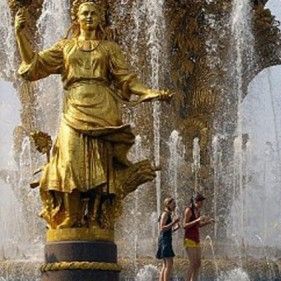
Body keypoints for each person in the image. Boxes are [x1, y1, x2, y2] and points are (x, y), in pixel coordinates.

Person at [14, 0, 173, 229]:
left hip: (103, 108)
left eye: (94, 13)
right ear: (76, 18)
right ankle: (71, 214)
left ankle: (96, 216)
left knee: (99, 163)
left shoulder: (110, 48)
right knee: (68, 160)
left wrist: (150, 92)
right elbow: (34, 67)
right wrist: (20, 35)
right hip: (74, 107)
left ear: (100, 18)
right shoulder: (65, 47)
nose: (89, 17)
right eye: (84, 13)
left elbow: (127, 79)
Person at [183, 193, 214, 281]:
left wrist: (208, 222)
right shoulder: (188, 210)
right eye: (199, 201)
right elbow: (184, 225)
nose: (201, 203)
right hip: (189, 239)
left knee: (198, 263)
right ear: (194, 201)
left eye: (201, 201)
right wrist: (197, 220)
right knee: (192, 263)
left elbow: (198, 225)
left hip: (196, 239)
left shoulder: (198, 211)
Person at [156, 197, 180, 281]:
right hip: (164, 241)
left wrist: (175, 228)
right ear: (168, 204)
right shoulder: (165, 214)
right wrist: (174, 222)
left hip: (165, 239)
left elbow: (167, 230)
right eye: (173, 204)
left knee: (165, 264)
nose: (175, 205)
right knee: (169, 264)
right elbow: (162, 228)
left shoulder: (168, 214)